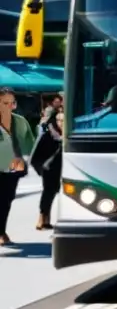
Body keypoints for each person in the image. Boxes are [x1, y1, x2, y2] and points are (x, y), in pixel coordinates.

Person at [0, 87, 36, 246]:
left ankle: (1, 231)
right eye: (4, 103)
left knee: (6, 200)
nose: (9, 106)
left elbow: (30, 144)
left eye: (12, 103)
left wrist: (24, 160)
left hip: (12, 170)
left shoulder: (21, 122)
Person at [31, 93, 63, 230]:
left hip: (60, 166)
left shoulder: (66, 135)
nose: (61, 122)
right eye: (59, 120)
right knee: (49, 191)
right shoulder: (49, 133)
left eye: (63, 120)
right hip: (49, 166)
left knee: (53, 190)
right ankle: (42, 218)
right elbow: (35, 156)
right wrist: (42, 169)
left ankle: (46, 219)